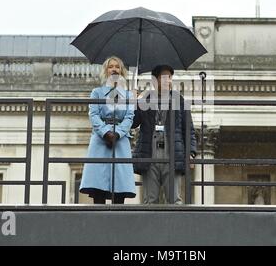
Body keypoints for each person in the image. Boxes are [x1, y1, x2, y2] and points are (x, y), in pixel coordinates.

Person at [132, 64, 197, 204]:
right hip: (150, 152)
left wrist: (191, 152)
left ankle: (175, 226)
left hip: (172, 153)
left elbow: (189, 128)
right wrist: (134, 103)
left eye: (170, 77)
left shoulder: (179, 100)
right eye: (164, 77)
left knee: (174, 200)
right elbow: (133, 123)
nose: (168, 81)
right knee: (150, 200)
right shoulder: (145, 99)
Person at [79, 56, 136, 204]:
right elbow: (94, 115)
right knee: (98, 187)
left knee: (120, 188)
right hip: (100, 139)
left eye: (117, 66)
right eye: (111, 66)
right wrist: (106, 132)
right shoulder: (96, 92)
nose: (114, 69)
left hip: (120, 140)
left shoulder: (129, 95)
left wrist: (118, 133)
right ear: (106, 70)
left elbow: (129, 117)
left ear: (121, 71)